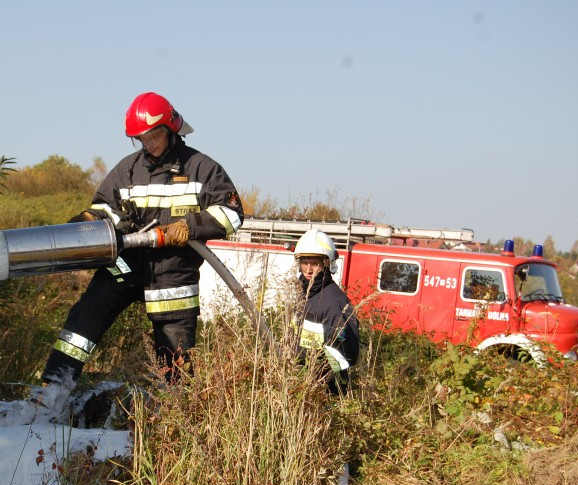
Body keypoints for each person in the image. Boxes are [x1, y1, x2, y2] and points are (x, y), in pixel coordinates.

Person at [37, 91, 243, 411]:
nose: (149, 144)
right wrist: (90, 220)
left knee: (174, 349)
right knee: (85, 317)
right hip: (126, 265)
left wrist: (190, 226)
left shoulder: (203, 168)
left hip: (173, 273)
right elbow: (109, 210)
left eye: (154, 135)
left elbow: (231, 214)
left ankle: (174, 414)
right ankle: (51, 392)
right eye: (141, 138)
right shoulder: (127, 170)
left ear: (172, 128)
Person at [293, 228, 359, 394]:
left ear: (327, 264)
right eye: (304, 262)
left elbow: (348, 353)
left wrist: (315, 370)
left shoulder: (334, 301)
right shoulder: (305, 295)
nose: (308, 270)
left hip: (325, 391)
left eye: (315, 263)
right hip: (302, 384)